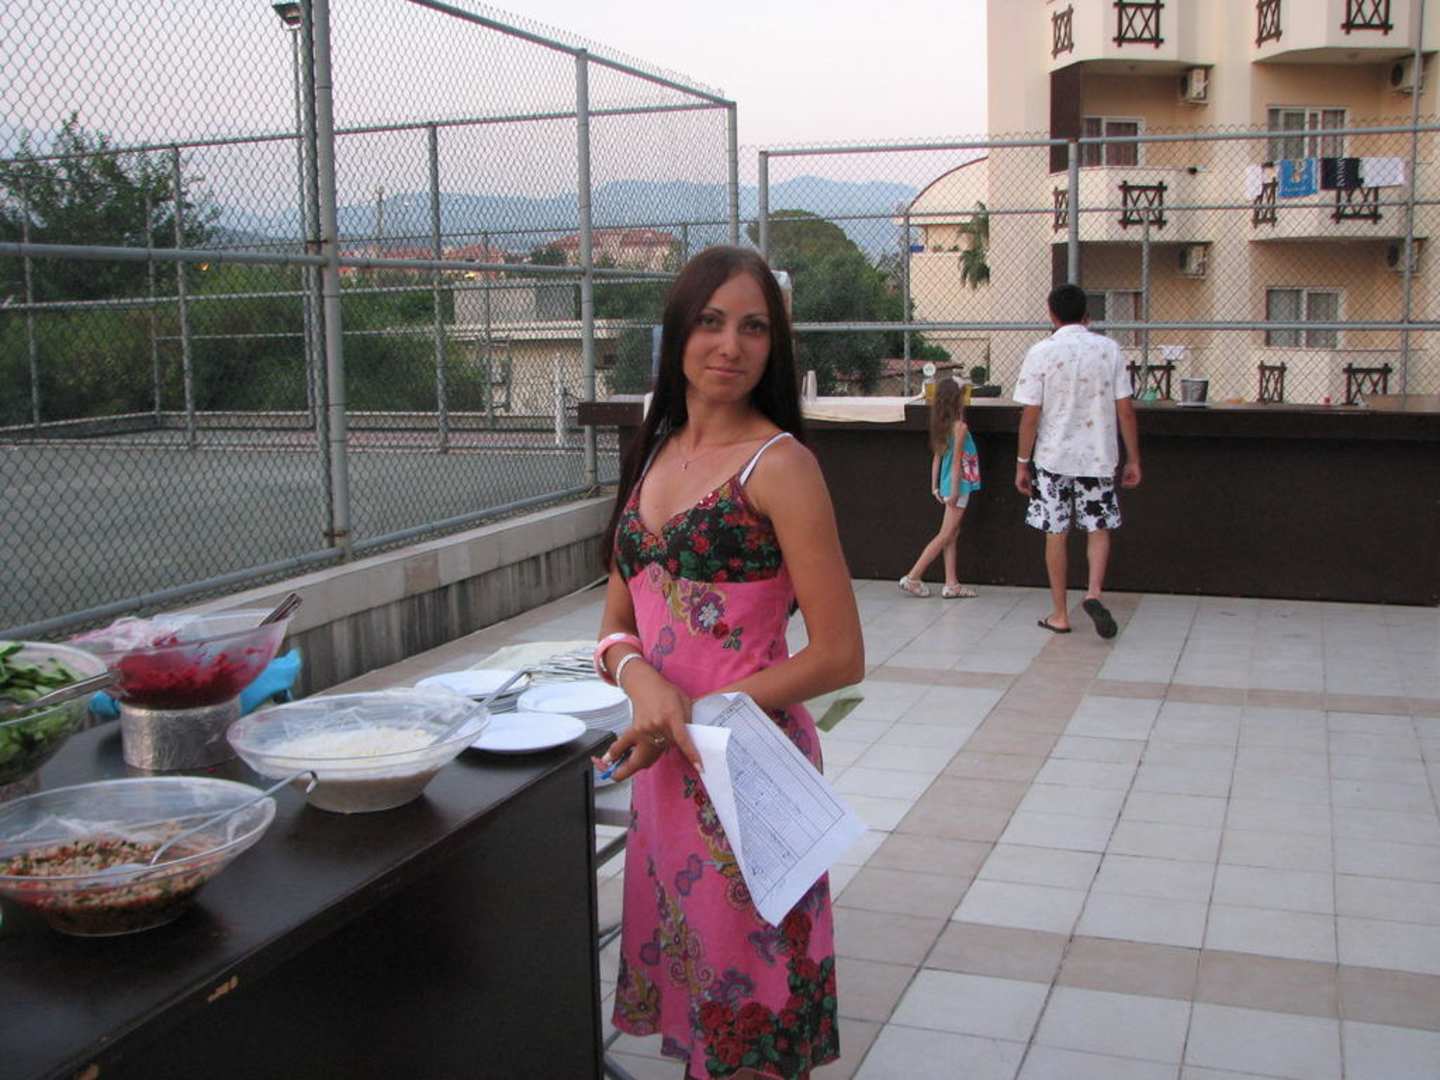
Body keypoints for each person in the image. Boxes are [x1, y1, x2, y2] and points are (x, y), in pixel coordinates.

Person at [592, 246, 864, 1080]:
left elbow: (841, 654)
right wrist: (642, 680)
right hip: (667, 776)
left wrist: (697, 708)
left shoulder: (781, 466)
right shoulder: (652, 452)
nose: (730, 345)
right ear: (677, 333)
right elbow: (614, 626)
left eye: (754, 328)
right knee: (700, 1005)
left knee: (755, 1019)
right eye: (711, 322)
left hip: (750, 771)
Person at [1013, 283, 1142, 638]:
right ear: (1087, 315)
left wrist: (1022, 462)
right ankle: (1093, 593)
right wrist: (1133, 459)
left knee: (1056, 532)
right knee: (1097, 527)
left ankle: (1060, 614)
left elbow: (1030, 415)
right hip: (1098, 456)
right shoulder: (1109, 350)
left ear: (1051, 314)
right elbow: (1125, 410)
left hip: (1053, 458)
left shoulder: (1041, 352)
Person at [897, 377, 980, 599]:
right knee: (945, 535)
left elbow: (937, 458)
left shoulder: (943, 426)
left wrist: (935, 487)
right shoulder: (960, 428)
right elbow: (956, 462)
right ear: (957, 400)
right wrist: (955, 491)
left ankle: (951, 583)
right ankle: (913, 577)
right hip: (958, 485)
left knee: (952, 533)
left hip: (946, 485)